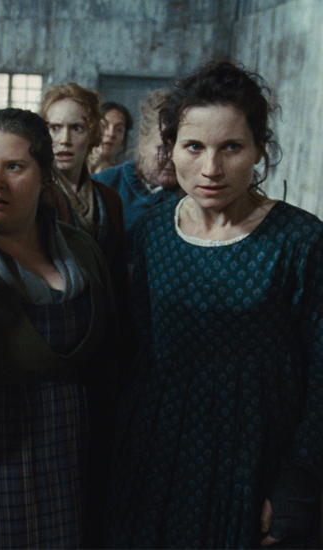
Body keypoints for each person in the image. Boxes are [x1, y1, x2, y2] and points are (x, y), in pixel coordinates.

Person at [107, 61, 323, 548]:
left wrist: (300, 479)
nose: (211, 169)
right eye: (194, 147)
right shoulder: (154, 231)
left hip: (255, 455)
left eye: (231, 147)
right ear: (171, 149)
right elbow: (140, 346)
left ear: (260, 149)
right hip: (157, 451)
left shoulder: (300, 242)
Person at [0, 108, 119, 548]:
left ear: (44, 177)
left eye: (14, 167)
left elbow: (109, 354)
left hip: (71, 443)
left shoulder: (79, 248)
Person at [40, 83, 130, 350]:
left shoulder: (110, 198)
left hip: (101, 327)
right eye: (55, 128)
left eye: (76, 128)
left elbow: (118, 277)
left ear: (92, 134)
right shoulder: (34, 195)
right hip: (53, 326)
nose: (64, 140)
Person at [94, 90, 183, 250]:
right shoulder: (103, 185)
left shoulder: (193, 195)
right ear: (142, 144)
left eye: (182, 148)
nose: (173, 158)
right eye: (164, 148)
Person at [88, 101, 132, 174]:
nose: (111, 134)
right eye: (104, 126)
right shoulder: (72, 166)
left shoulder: (120, 177)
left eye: (118, 129)